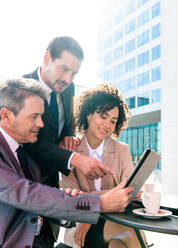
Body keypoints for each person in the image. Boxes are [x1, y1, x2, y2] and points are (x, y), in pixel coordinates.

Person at [0, 78, 133, 248]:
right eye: (34, 116)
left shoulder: (26, 152)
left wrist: (71, 198)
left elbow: (45, 197)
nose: (41, 124)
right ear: (6, 115)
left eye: (41, 116)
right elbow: (27, 194)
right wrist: (97, 203)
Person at [62, 83, 146, 248]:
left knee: (118, 245)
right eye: (103, 116)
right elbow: (72, 199)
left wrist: (124, 196)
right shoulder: (71, 151)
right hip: (82, 225)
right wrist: (112, 196)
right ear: (88, 115)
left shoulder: (122, 150)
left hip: (118, 220)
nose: (107, 124)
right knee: (128, 232)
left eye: (113, 120)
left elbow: (127, 193)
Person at [23, 36, 111, 190]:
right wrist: (76, 159)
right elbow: (29, 142)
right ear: (47, 57)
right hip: (26, 181)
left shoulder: (69, 88)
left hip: (52, 181)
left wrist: (69, 135)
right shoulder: (22, 88)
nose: (68, 79)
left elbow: (67, 122)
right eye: (64, 69)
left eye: (74, 73)